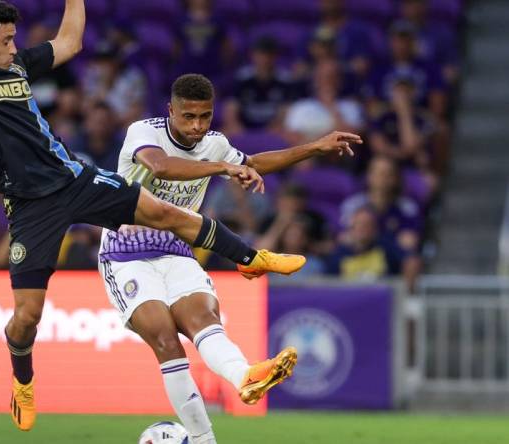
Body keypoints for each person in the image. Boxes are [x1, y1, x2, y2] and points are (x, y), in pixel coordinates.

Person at [0, 0, 333, 431]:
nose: (16, 48)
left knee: (163, 212)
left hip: (72, 177)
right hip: (30, 205)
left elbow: (69, 42)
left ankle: (251, 259)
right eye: (7, 40)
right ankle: (23, 380)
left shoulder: (18, 68)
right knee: (27, 317)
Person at [98, 73, 362, 444]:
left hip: (177, 248)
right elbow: (161, 166)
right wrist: (222, 166)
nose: (197, 126)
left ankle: (245, 376)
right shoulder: (145, 132)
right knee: (166, 340)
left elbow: (253, 162)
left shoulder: (215, 143)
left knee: (204, 321)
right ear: (170, 111)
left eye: (205, 117)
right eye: (188, 117)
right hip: (126, 252)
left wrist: (313, 148)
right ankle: (205, 440)